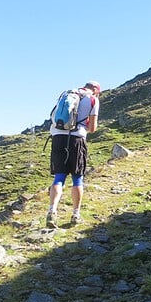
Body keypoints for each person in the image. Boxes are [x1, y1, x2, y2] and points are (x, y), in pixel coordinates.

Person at [46, 81, 101, 228]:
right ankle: (76, 214)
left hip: (57, 137)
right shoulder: (93, 99)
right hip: (77, 138)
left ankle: (52, 211)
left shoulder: (66, 93)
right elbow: (92, 128)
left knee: (59, 177)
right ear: (95, 90)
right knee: (77, 178)